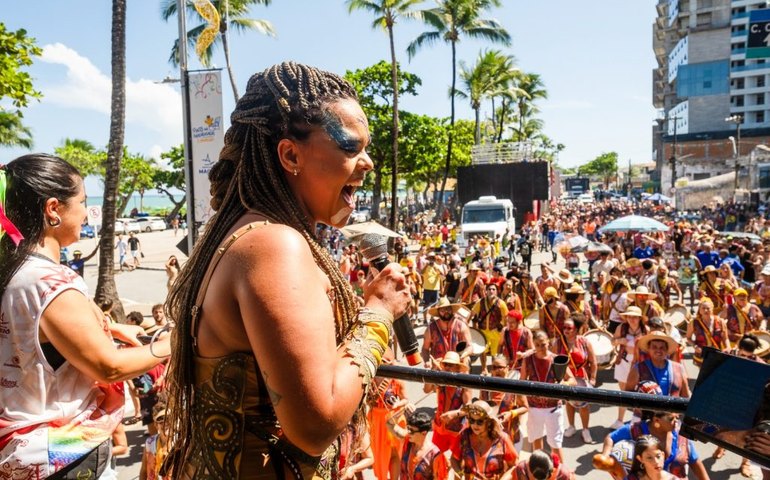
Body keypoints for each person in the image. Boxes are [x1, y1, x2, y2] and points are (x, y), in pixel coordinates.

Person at [162, 63, 410, 479]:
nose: (367, 163)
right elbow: (315, 423)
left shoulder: (244, 231)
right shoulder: (274, 245)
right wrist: (380, 311)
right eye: (351, 148)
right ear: (291, 155)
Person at [0, 154, 171, 478]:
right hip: (65, 455)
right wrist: (170, 344)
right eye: (81, 201)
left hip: (21, 454)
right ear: (53, 209)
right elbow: (109, 366)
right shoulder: (50, 282)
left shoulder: (12, 271)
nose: (85, 212)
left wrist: (113, 328)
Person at [520, 329, 574, 462]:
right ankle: (540, 469)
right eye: (537, 345)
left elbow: (572, 380)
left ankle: (562, 473)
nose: (540, 348)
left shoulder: (557, 360)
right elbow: (521, 381)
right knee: (536, 440)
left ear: (548, 343)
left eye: (543, 344)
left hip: (554, 407)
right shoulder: (528, 360)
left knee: (555, 443)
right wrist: (522, 400)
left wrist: (563, 384)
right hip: (534, 407)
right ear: (533, 344)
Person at [555, 315, 598, 445]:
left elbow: (593, 361)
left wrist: (593, 379)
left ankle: (585, 429)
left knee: (584, 406)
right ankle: (572, 426)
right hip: (567, 378)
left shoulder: (584, 342)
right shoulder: (558, 342)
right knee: (569, 402)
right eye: (564, 327)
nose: (566, 330)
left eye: (569, 328)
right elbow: (552, 359)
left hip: (582, 377)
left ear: (576, 329)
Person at [449, 400, 518, 480]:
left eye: (480, 421)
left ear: (488, 421)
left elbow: (514, 465)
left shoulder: (502, 439)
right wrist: (460, 473)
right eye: (472, 420)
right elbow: (454, 459)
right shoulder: (463, 436)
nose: (475, 425)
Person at [612, 306, 649, 429]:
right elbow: (613, 341)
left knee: (639, 391)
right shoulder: (621, 328)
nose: (631, 319)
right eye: (629, 316)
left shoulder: (645, 330)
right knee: (623, 392)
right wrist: (619, 341)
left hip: (639, 364)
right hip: (623, 361)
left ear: (639, 318)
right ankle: (619, 420)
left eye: (634, 317)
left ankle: (636, 418)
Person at [625, 331, 690, 399]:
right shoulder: (638, 368)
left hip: (673, 409)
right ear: (648, 349)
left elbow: (686, 397)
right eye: (654, 347)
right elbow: (627, 395)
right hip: (646, 409)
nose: (658, 350)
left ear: (667, 350)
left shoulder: (679, 369)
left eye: (662, 347)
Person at [421, 297, 473, 365]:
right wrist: (427, 361)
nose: (446, 311)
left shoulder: (461, 326)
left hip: (458, 365)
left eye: (448, 309)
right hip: (439, 366)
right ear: (438, 312)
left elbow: (470, 346)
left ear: (452, 310)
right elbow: (425, 349)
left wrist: (462, 355)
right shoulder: (431, 329)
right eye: (442, 310)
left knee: (467, 361)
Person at [471, 283, 509, 374]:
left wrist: (506, 331)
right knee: (482, 350)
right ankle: (484, 368)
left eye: (493, 289)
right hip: (483, 331)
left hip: (496, 332)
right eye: (489, 289)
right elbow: (472, 313)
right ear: (486, 291)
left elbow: (506, 318)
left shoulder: (501, 303)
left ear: (496, 292)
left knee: (495, 353)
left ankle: (493, 369)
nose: (491, 291)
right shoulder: (481, 302)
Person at [400, 408, 447, 480]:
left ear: (423, 433)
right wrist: (402, 407)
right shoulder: (408, 442)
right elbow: (389, 424)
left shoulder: (434, 454)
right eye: (408, 428)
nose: (408, 432)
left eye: (411, 430)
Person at [686, 297, 730, 367]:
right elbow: (688, 338)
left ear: (712, 309)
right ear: (699, 310)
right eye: (703, 308)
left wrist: (728, 347)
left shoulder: (720, 321)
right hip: (701, 355)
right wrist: (695, 346)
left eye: (708, 308)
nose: (706, 310)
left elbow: (726, 338)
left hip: (717, 355)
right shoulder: (694, 322)